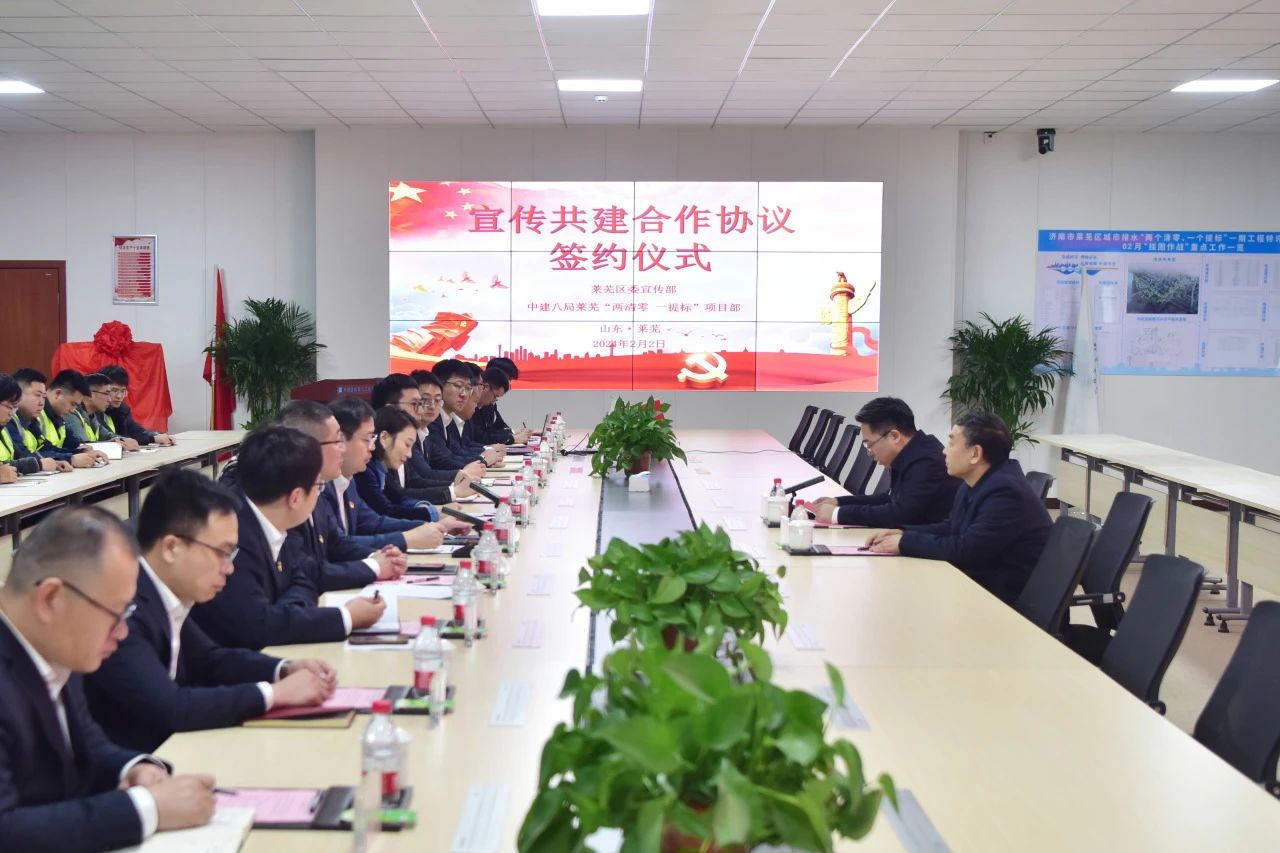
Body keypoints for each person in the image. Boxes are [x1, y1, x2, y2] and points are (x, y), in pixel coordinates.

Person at [0, 506, 217, 851]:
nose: (123, 632)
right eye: (114, 613)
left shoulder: (56, 643)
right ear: (51, 598)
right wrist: (148, 808)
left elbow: (87, 743)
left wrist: (132, 768)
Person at [85, 470, 338, 753]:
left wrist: (284, 669)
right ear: (171, 547)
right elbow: (172, 707)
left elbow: (209, 660)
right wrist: (274, 694)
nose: (229, 568)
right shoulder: (123, 607)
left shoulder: (162, 591)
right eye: (221, 553)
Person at [189, 425, 386, 650]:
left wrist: (287, 612)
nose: (319, 496)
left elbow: (304, 580)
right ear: (295, 498)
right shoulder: (235, 538)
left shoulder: (274, 524)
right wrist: (346, 616)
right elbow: (258, 625)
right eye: (318, 487)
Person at [865, 412, 1053, 604]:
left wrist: (904, 543)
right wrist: (902, 532)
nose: (944, 451)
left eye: (952, 443)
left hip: (1007, 601)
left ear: (975, 454)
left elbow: (966, 550)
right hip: (980, 585)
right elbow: (951, 526)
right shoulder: (979, 480)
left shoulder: (1005, 491)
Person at [277, 400, 407, 591]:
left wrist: (378, 557)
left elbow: (336, 543)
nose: (343, 448)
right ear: (309, 446)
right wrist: (374, 566)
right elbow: (306, 572)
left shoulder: (319, 486)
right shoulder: (284, 495)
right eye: (338, 441)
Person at [327, 396, 452, 552]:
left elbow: (373, 522)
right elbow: (337, 546)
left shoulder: (348, 481)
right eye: (367, 439)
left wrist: (432, 526)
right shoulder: (321, 488)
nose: (372, 447)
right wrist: (408, 538)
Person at [811, 397, 957, 527]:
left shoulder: (927, 461)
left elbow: (898, 515)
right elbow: (889, 499)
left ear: (894, 436)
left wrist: (837, 514)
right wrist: (838, 502)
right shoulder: (914, 451)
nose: (869, 452)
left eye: (869, 444)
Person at [356, 406, 451, 523]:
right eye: (407, 444)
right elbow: (386, 511)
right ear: (384, 438)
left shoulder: (383, 466)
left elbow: (398, 498)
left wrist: (420, 506)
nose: (410, 454)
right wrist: (432, 513)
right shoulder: (364, 470)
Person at [26, 369, 104, 468]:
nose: (72, 410)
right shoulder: (34, 414)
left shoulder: (58, 415)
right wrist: (71, 458)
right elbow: (36, 452)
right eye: (72, 404)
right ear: (58, 393)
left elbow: (66, 444)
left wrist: (81, 451)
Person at [4, 370, 72, 474]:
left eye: (44, 397)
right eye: (37, 395)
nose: (41, 403)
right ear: (18, 395)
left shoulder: (32, 422)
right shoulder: (9, 422)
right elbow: (22, 456)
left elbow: (44, 448)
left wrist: (70, 457)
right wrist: (40, 464)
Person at [99, 364, 175, 446]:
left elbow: (137, 431)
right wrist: (152, 439)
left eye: (123, 391)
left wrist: (158, 435)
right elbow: (115, 439)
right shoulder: (95, 411)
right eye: (114, 390)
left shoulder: (122, 410)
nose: (119, 396)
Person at [65, 372, 140, 452]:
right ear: (90, 394)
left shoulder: (92, 416)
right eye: (106, 394)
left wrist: (123, 440)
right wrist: (113, 445)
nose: (109, 399)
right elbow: (83, 447)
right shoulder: (71, 414)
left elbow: (107, 435)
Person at [470, 363, 531, 446]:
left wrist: (512, 434)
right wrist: (512, 438)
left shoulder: (484, 405)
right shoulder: (474, 407)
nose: (495, 400)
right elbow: (480, 437)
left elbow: (497, 427)